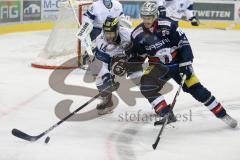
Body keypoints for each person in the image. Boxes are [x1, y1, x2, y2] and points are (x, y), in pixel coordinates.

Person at [128, 2, 237, 128]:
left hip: (178, 63)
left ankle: (223, 115)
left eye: (149, 17)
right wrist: (131, 64)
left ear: (155, 15)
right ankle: (165, 113)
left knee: (198, 90)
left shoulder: (169, 25)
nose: (146, 20)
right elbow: (139, 55)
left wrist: (186, 63)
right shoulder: (137, 34)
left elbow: (184, 44)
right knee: (146, 86)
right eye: (144, 17)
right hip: (157, 66)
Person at [90, 16, 132, 115]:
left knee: (118, 68)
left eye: (111, 33)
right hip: (110, 57)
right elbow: (99, 63)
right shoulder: (100, 40)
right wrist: (107, 79)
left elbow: (142, 42)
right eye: (106, 33)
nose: (108, 36)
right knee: (97, 73)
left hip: (124, 56)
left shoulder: (128, 34)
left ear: (117, 31)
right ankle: (107, 100)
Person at [79, 0, 129, 67]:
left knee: (122, 42)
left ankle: (119, 58)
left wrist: (125, 26)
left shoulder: (117, 5)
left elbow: (121, 18)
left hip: (113, 29)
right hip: (98, 29)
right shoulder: (95, 6)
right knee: (97, 45)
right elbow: (87, 17)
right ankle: (88, 56)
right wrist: (86, 26)